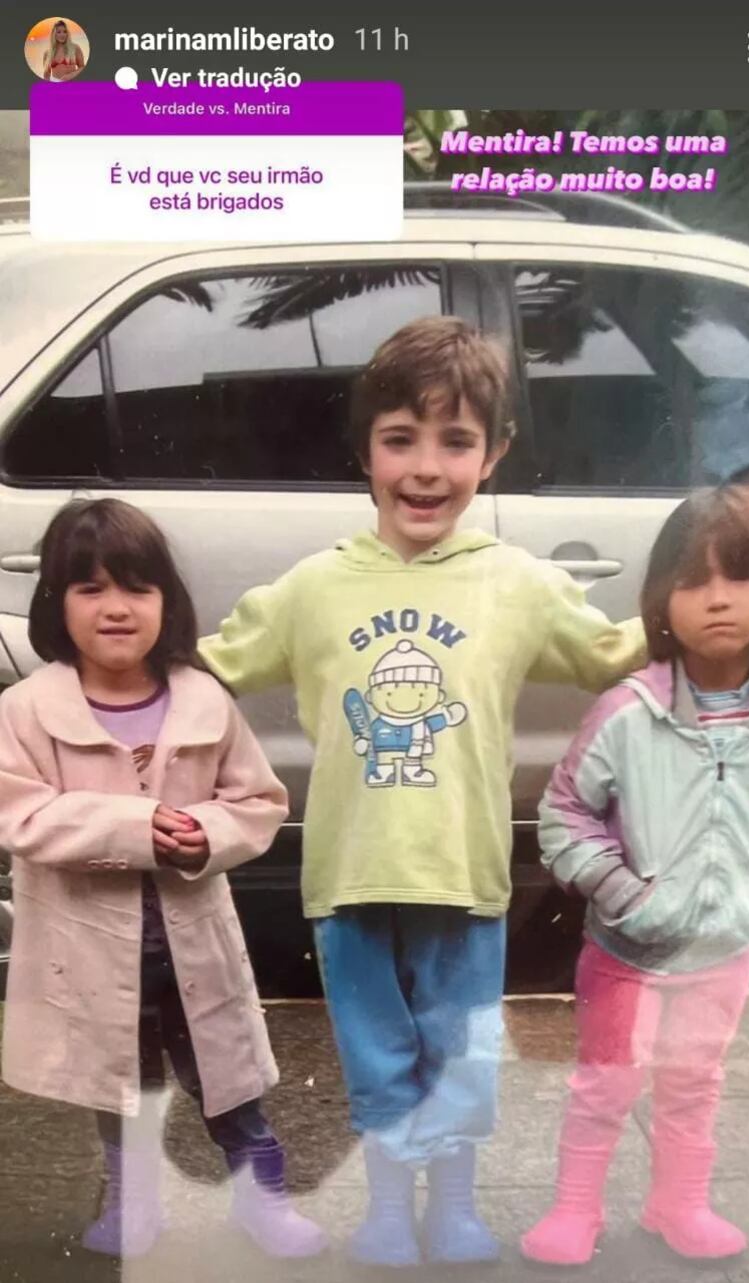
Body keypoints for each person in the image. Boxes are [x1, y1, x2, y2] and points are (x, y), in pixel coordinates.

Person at [199, 316, 646, 1266]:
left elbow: (610, 652)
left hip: (466, 876)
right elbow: (206, 671)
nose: (427, 467)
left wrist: (737, 611)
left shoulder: (519, 583)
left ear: (496, 451)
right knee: (376, 1060)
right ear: (364, 448)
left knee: (461, 1057)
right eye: (400, 438)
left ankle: (454, 1207)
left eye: (457, 440)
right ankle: (388, 1211)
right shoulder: (312, 587)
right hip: (348, 879)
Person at [0, 499, 326, 1260]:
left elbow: (258, 800)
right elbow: (19, 812)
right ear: (55, 604)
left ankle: (262, 1198)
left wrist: (205, 834)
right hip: (87, 946)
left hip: (190, 944)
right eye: (90, 588)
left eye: (136, 588)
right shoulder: (26, 710)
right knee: (119, 1082)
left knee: (229, 1080)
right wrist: (130, 826)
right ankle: (134, 1199)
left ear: (167, 602)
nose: (115, 608)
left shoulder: (204, 699)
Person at [520, 484, 749, 1266]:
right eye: (693, 578)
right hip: (627, 953)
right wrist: (624, 894)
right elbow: (564, 812)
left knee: (694, 1079)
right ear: (660, 598)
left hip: (726, 950)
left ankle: (680, 1203)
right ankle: (575, 1208)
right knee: (606, 1083)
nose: (718, 597)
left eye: (740, 574)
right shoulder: (627, 711)